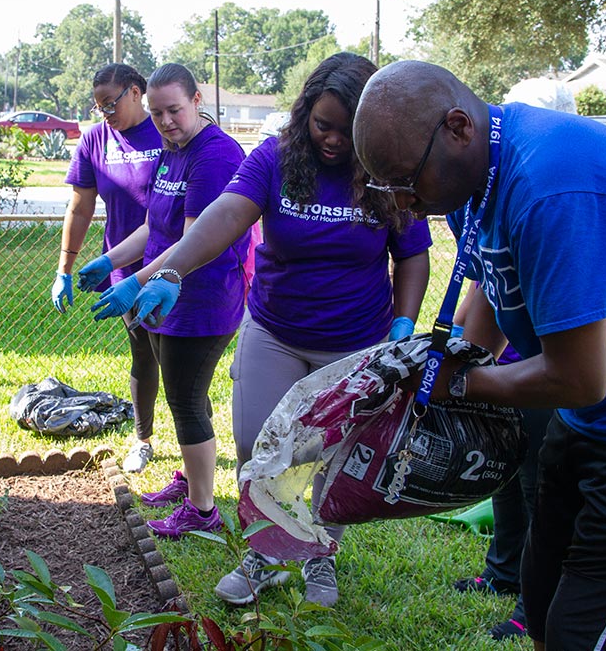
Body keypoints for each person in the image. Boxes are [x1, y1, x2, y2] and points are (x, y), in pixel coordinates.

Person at [353, 59, 606, 650]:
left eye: (407, 181)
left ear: (458, 128)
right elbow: (490, 296)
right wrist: (433, 368)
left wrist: (460, 385)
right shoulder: (482, 175)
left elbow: (580, 378)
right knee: (544, 601)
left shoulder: (554, 184)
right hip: (590, 422)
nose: (406, 205)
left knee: (587, 635)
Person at [129, 52, 432, 607]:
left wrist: (404, 322)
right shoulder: (276, 157)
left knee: (331, 455)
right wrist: (170, 268)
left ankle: (319, 557)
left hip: (355, 341)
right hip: (275, 329)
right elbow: (224, 215)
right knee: (256, 445)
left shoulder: (387, 169)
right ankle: (266, 553)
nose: (335, 140)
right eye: (323, 125)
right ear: (304, 115)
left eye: (347, 129)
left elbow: (412, 254)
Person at [79, 63, 249, 539]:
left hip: (199, 300)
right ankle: (195, 480)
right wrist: (110, 259)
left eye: (174, 110)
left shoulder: (214, 156)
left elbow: (193, 239)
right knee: (185, 398)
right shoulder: (172, 152)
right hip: (161, 297)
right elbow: (155, 227)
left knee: (185, 398)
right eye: (156, 114)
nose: (166, 121)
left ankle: (202, 510)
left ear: (197, 100)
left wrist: (136, 284)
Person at [53, 63, 164, 474]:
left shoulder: (165, 128)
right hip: (121, 266)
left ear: (136, 92)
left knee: (180, 361)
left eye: (111, 103)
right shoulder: (96, 139)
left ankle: (194, 446)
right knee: (143, 355)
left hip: (173, 266)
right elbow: (80, 207)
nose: (105, 113)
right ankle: (143, 439)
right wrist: (64, 268)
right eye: (98, 106)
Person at [450, 287, 551, 642]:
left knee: (540, 494)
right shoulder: (485, 234)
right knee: (503, 478)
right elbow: (481, 288)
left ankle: (533, 604)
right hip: (496, 372)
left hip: (540, 371)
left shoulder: (544, 236)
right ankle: (503, 572)